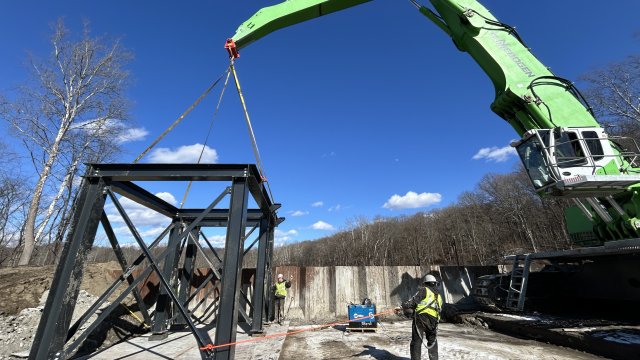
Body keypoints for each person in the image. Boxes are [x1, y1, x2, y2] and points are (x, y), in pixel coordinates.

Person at [398, 274, 443, 360]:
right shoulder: (439, 296)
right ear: (434, 283)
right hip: (433, 321)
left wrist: (402, 306)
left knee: (416, 342)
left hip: (421, 319)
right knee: (432, 342)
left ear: (426, 283)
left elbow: (413, 302)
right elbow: (439, 310)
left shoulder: (424, 290)